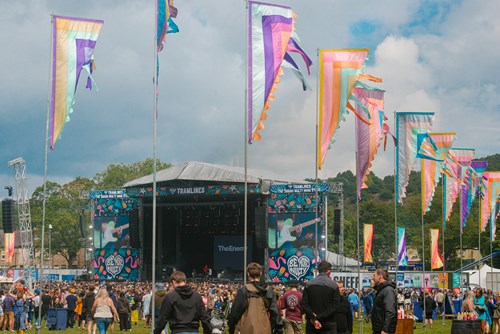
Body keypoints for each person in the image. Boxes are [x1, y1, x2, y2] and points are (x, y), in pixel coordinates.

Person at [228, 262, 283, 334]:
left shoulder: (244, 291)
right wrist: (278, 329)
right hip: (264, 328)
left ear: (248, 274)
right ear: (260, 274)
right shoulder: (269, 291)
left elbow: (234, 313)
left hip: (245, 329)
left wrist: (231, 328)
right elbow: (275, 313)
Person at [301, 260, 340, 334]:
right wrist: (320, 316)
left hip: (312, 322)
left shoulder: (309, 284)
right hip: (329, 322)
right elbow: (335, 305)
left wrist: (314, 317)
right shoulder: (334, 286)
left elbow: (304, 304)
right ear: (328, 271)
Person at [370, 269, 397, 334]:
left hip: (384, 330)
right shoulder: (381, 290)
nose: (372, 278)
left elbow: (390, 311)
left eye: (374, 275)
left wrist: (385, 329)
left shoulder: (388, 290)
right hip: (378, 328)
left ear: (380, 276)